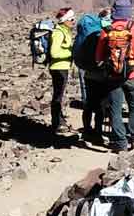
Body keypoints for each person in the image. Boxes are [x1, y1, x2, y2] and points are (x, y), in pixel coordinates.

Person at [97, 0, 134, 152]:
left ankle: (120, 143)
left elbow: (98, 56)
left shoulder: (106, 31)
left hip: (113, 77)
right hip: (133, 74)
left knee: (115, 109)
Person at [82, 8, 112, 141]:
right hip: (102, 76)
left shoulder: (89, 34)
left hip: (88, 74)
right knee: (101, 105)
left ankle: (87, 130)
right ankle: (98, 133)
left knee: (89, 103)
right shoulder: (105, 35)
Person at [46, 8, 77, 136]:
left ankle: (59, 120)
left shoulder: (65, 31)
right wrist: (70, 53)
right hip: (58, 68)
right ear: (64, 20)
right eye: (71, 19)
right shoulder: (58, 33)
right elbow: (54, 52)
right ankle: (57, 123)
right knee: (58, 96)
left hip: (62, 67)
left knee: (59, 95)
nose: (73, 21)